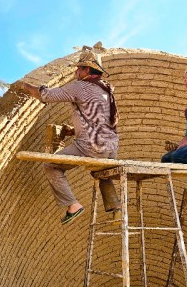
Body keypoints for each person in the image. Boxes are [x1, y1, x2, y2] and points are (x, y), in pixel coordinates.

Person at [14, 50, 121, 225]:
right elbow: (99, 120)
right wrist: (73, 131)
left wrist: (25, 86)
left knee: (51, 165)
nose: (76, 72)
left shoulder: (80, 86)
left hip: (91, 146)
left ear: (86, 70)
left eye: (79, 69)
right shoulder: (106, 90)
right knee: (102, 171)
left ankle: (73, 205)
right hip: (111, 148)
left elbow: (46, 95)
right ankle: (116, 208)